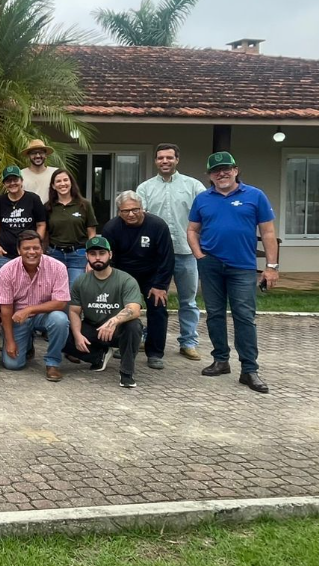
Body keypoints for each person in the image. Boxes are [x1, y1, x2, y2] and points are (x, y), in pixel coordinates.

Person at [187, 151, 278, 394]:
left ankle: (249, 369)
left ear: (236, 170)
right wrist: (199, 255)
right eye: (216, 171)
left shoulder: (255, 195)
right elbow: (192, 230)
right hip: (211, 265)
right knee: (215, 314)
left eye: (226, 169)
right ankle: (221, 360)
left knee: (244, 316)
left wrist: (271, 267)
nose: (222, 173)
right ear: (209, 175)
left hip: (243, 267)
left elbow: (268, 233)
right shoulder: (202, 199)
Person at [137, 143, 207, 361]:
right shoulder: (145, 189)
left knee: (188, 301)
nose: (164, 161)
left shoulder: (193, 186)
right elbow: (139, 219)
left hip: (186, 253)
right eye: (160, 158)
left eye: (169, 157)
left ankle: (188, 342)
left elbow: (206, 215)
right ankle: (149, 337)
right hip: (155, 256)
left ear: (177, 159)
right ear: (155, 161)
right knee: (153, 300)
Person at [102, 191, 174, 371]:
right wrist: (113, 282)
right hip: (124, 275)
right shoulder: (111, 228)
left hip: (152, 275)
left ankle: (155, 353)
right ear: (119, 212)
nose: (131, 214)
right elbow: (110, 258)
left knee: (158, 307)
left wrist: (160, 285)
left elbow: (167, 258)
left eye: (135, 209)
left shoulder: (158, 225)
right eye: (125, 211)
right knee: (120, 310)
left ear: (142, 208)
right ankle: (122, 345)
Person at [68, 236, 145, 388]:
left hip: (117, 330)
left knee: (134, 326)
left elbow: (134, 309)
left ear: (110, 254)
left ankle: (126, 373)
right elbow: (74, 311)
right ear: (87, 256)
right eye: (93, 254)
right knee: (61, 331)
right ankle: (98, 357)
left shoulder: (125, 280)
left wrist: (113, 322)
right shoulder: (80, 281)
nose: (97, 257)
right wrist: (77, 335)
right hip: (93, 327)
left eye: (102, 253)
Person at [0, 231, 70, 380]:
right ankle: (27, 344)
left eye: (36, 248)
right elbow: (5, 311)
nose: (31, 252)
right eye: (26, 248)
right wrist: (10, 341)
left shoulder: (58, 267)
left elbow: (61, 302)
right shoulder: (6, 271)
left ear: (42, 249)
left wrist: (29, 309)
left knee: (60, 320)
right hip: (18, 318)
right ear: (18, 250)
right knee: (13, 364)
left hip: (44, 315)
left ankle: (53, 363)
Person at [45, 168, 98, 287]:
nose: (62, 184)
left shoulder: (84, 205)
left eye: (65, 180)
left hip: (78, 254)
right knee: (56, 290)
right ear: (53, 186)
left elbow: (92, 233)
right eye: (58, 181)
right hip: (55, 254)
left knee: (75, 289)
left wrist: (91, 257)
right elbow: (45, 233)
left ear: (71, 183)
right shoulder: (48, 207)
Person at [0, 166, 47, 273]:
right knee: (6, 282)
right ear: (4, 184)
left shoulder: (33, 199)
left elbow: (41, 224)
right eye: (8, 181)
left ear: (21, 180)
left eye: (15, 179)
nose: (12, 183)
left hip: (29, 254)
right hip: (4, 255)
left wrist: (36, 244)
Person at [20, 139, 59, 203]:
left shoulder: (55, 173)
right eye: (33, 153)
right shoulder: (20, 174)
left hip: (50, 208)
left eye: (41, 152)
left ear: (45, 155)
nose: (38, 156)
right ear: (29, 156)